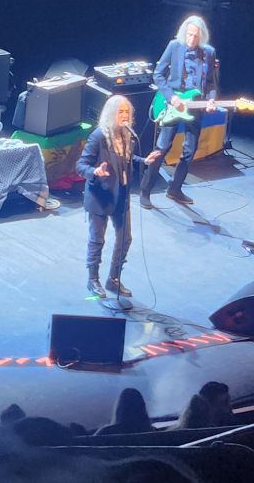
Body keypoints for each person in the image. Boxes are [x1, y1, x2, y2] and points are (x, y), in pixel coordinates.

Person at [76, 95, 162, 298]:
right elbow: (81, 165)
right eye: (120, 112)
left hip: (121, 195)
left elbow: (127, 158)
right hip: (100, 196)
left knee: (125, 239)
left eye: (127, 112)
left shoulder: (127, 135)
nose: (124, 116)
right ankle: (93, 280)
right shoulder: (99, 136)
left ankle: (114, 279)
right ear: (111, 114)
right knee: (97, 240)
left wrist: (144, 160)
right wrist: (95, 172)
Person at [140, 15, 218, 209]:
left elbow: (211, 83)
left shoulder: (208, 52)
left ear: (202, 36)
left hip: (195, 106)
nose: (192, 39)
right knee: (162, 147)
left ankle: (175, 189)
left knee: (189, 150)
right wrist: (172, 97)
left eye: (196, 36)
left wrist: (211, 100)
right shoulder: (174, 46)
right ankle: (145, 190)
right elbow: (158, 74)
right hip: (173, 104)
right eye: (189, 35)